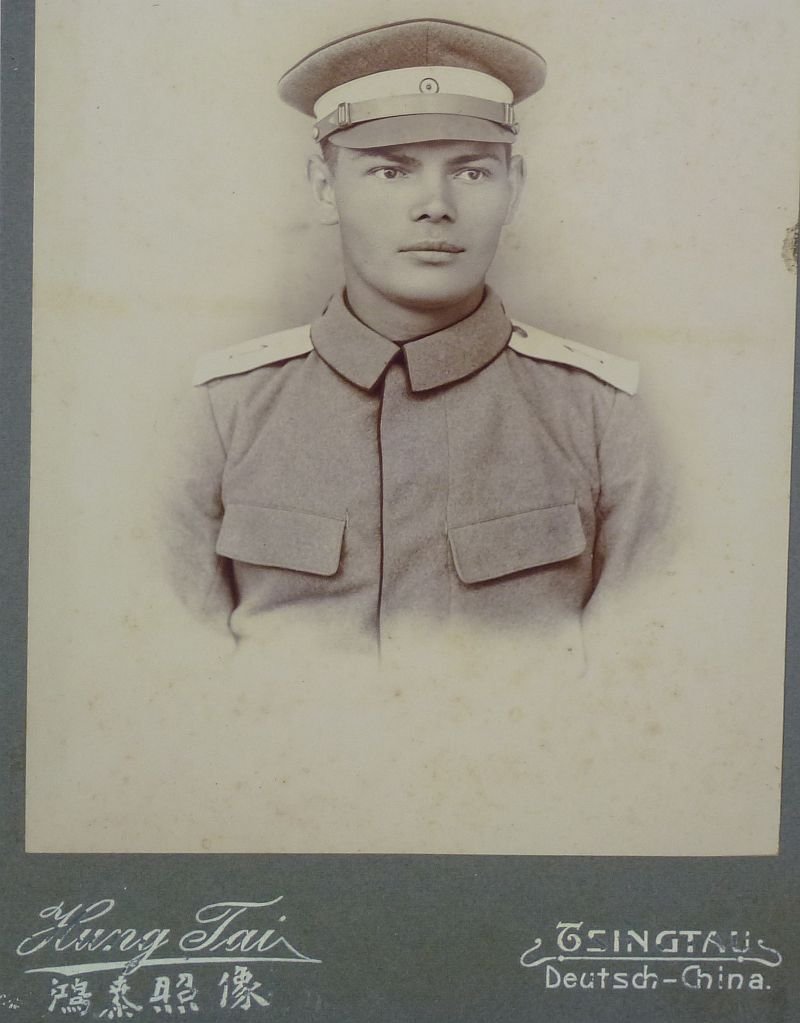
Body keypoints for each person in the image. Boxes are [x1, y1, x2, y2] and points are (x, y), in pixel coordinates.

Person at [163, 18, 670, 664]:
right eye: (391, 171)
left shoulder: (605, 416)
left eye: (472, 172)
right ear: (325, 187)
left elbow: (644, 678)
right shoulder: (221, 412)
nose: (435, 204)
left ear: (515, 187)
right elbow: (172, 682)